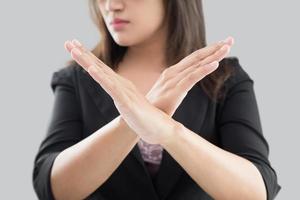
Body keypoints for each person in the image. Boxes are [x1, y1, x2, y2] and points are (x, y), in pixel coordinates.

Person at [32, 0, 281, 199]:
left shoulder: (225, 78)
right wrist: (131, 121)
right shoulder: (77, 79)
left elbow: (257, 190)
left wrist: (169, 132)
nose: (111, 5)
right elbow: (52, 187)